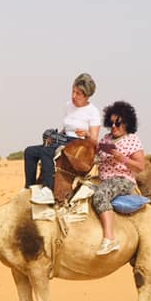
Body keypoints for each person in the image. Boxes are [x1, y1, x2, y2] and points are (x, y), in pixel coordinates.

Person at [23, 73, 101, 204]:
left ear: (87, 96)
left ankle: (48, 190)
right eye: (73, 91)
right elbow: (65, 128)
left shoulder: (92, 111)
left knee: (46, 151)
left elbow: (94, 141)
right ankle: (29, 187)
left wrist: (86, 133)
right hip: (64, 140)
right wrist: (54, 136)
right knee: (30, 151)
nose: (73, 96)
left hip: (79, 146)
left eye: (78, 94)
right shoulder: (68, 106)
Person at [92, 101, 145, 254]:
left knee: (100, 195)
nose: (114, 126)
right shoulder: (106, 139)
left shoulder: (132, 140)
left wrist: (122, 158)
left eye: (118, 123)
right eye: (111, 123)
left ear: (127, 123)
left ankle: (110, 239)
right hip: (102, 178)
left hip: (122, 179)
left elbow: (140, 166)